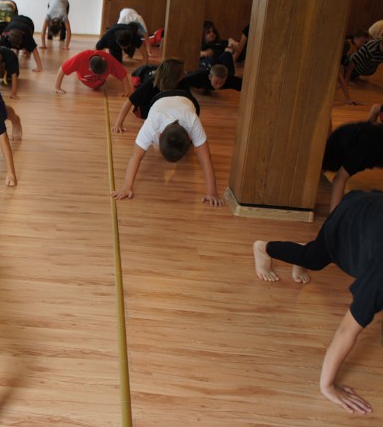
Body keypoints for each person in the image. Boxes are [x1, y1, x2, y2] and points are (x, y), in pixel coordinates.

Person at [252, 190, 383, 415]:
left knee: (315, 254)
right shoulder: (379, 277)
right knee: (314, 259)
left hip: (372, 214)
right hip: (352, 216)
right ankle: (263, 248)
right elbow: (346, 330)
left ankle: (305, 252)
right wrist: (328, 386)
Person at [112, 92, 223, 206]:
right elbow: (136, 156)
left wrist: (212, 193)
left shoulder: (193, 121)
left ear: (190, 137)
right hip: (159, 97)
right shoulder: (151, 124)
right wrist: (127, 187)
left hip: (188, 99)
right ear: (159, 135)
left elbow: (206, 159)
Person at [322, 104, 383, 211]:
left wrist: (372, 117)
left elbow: (376, 108)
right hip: (337, 148)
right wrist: (335, 216)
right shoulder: (367, 150)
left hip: (358, 134)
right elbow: (339, 178)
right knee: (319, 164)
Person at [111, 58, 188, 133]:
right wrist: (118, 124)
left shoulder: (181, 82)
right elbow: (129, 101)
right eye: (183, 72)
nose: (185, 73)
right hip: (147, 107)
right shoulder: (150, 86)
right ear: (175, 77)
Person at [54, 50, 132, 96]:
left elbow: (123, 74)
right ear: (90, 69)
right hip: (84, 78)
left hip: (101, 82)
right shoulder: (80, 58)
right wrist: (57, 87)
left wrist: (127, 91)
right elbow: (62, 69)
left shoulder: (108, 59)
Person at [178, 64, 242, 93]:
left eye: (222, 83)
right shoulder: (198, 77)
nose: (218, 85)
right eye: (216, 82)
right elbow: (182, 82)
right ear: (210, 77)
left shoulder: (230, 79)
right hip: (195, 72)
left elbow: (242, 85)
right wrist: (193, 89)